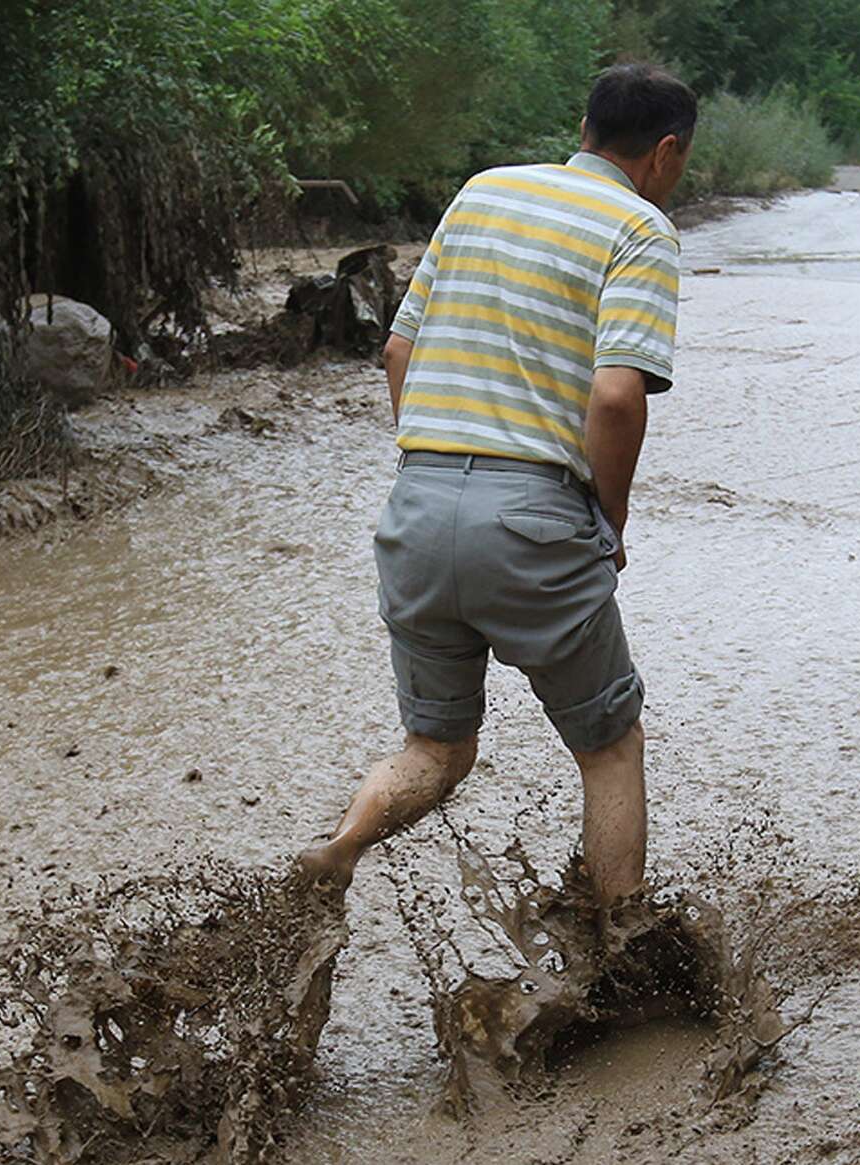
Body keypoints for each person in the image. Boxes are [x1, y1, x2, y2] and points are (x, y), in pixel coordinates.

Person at [296, 64, 693, 907]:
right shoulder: (640, 229)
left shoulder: (481, 193)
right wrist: (607, 520)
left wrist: (432, 463)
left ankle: (338, 848)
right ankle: (621, 951)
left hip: (418, 505)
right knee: (611, 744)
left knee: (434, 749)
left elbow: (398, 352)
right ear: (664, 152)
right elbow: (618, 396)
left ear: (583, 128)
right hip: (533, 517)